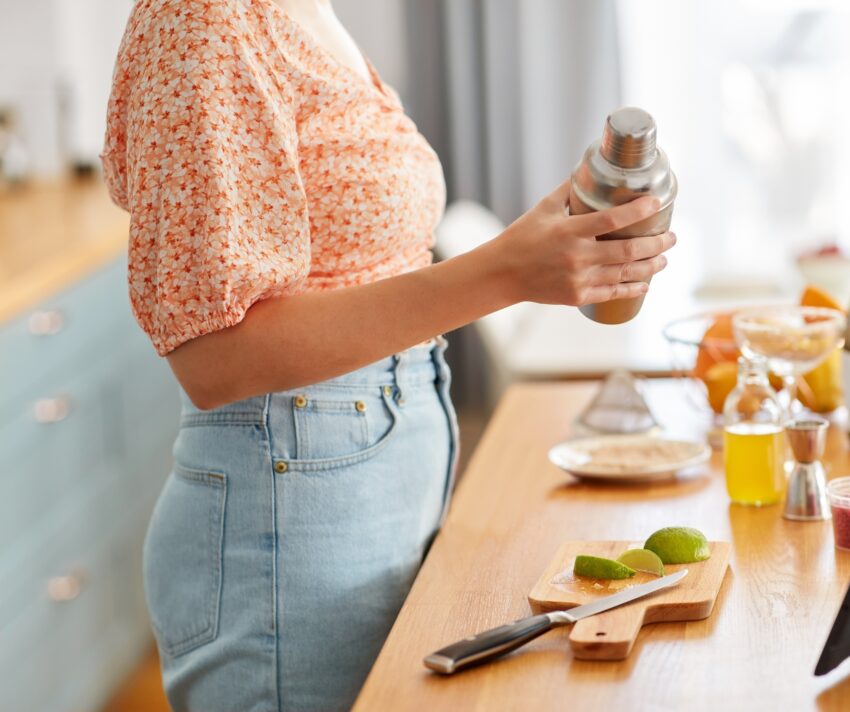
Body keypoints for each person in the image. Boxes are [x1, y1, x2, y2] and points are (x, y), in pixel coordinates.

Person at [101, 0, 675, 710]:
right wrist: (506, 272)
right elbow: (215, 358)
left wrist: (530, 255)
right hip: (288, 532)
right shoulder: (205, 18)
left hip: (370, 491)